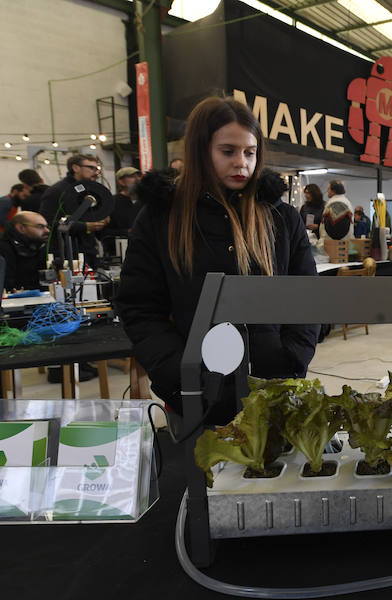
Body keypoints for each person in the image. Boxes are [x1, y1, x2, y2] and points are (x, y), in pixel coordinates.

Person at [115, 97, 320, 421]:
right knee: (200, 471)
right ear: (201, 150)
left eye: (250, 153)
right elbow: (139, 307)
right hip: (194, 400)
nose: (242, 163)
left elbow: (307, 298)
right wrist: (180, 372)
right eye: (228, 151)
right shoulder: (161, 219)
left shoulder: (281, 218)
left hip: (275, 392)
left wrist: (292, 360)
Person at [39, 154, 109, 267]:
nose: (96, 173)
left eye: (97, 169)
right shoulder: (57, 192)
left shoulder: (89, 191)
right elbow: (49, 223)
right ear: (75, 168)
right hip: (66, 255)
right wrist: (85, 226)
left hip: (88, 252)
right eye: (91, 168)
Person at [0, 211, 50, 291]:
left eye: (47, 227)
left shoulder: (40, 246)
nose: (47, 231)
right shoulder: (4, 249)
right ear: (21, 228)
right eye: (40, 226)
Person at [101, 166, 142, 255]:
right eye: (132, 177)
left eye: (139, 176)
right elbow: (102, 232)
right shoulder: (111, 202)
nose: (137, 179)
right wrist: (126, 232)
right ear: (121, 181)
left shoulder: (144, 202)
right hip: (117, 253)